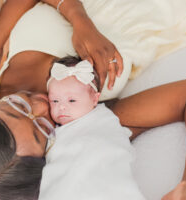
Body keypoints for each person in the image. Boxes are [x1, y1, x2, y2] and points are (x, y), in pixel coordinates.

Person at [0, 0, 186, 199]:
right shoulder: (86, 118)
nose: (40, 103)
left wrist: (80, 21)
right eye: (42, 129)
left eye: (17, 107)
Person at [40, 56, 146, 199]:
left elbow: (112, 143)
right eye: (55, 101)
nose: (62, 106)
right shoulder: (51, 130)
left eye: (72, 100)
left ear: (95, 99)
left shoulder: (103, 119)